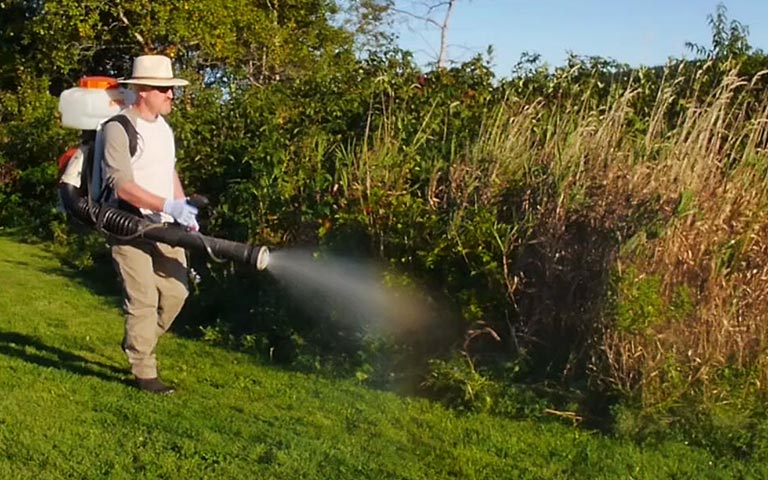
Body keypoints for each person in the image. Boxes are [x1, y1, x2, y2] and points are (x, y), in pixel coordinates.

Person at [101, 54, 198, 394]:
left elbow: (167, 171)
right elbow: (122, 186)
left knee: (176, 293)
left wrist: (183, 207)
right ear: (142, 90)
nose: (172, 95)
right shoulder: (118, 128)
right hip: (128, 225)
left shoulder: (164, 128)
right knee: (142, 298)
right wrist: (167, 204)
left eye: (172, 89)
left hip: (165, 225)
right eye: (165, 89)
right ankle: (145, 372)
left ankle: (137, 342)